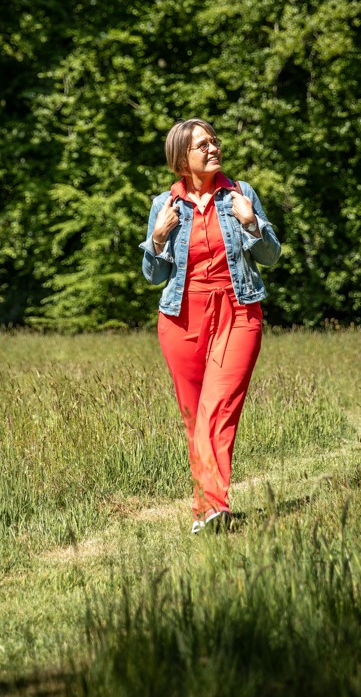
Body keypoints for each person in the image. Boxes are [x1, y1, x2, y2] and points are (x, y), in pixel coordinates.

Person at [140, 119, 282, 534]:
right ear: (181, 159)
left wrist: (252, 223)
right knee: (193, 417)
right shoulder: (163, 205)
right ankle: (208, 511)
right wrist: (159, 238)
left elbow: (271, 257)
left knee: (217, 408)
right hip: (180, 320)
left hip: (238, 313)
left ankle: (215, 506)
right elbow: (152, 275)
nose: (213, 148)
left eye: (214, 141)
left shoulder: (241, 194)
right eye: (202, 145)